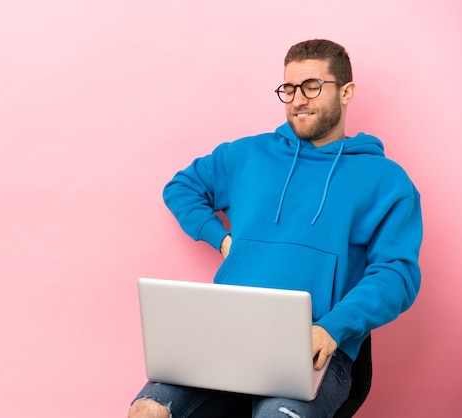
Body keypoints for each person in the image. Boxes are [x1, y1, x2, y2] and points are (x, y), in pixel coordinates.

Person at [128, 39, 423, 418]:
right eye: (289, 89)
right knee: (147, 411)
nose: (298, 99)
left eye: (312, 86)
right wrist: (220, 239)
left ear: (346, 92)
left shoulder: (387, 181)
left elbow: (397, 273)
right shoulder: (246, 154)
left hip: (313, 342)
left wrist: (333, 328)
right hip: (225, 332)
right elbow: (182, 187)